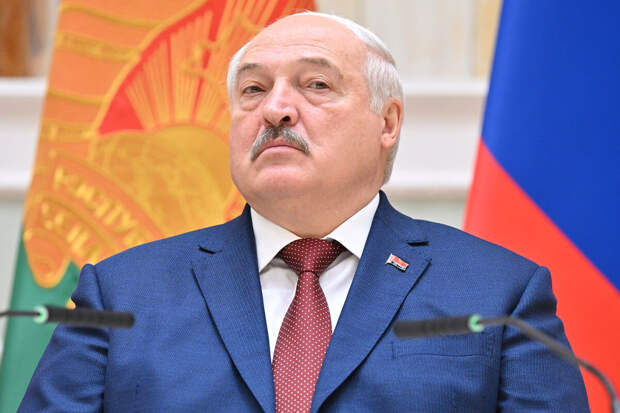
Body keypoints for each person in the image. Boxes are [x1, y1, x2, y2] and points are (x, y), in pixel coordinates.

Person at [20, 12, 589, 412]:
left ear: (387, 123)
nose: (275, 109)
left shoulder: (500, 295)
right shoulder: (120, 293)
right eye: (252, 90)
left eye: (316, 84)